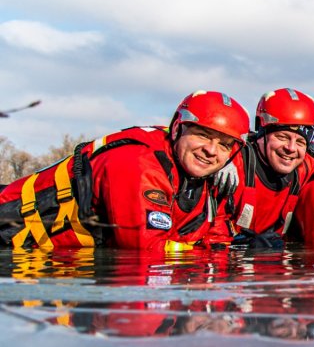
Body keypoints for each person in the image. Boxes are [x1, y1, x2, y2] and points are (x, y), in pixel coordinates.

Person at [0, 90, 249, 251]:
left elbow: (217, 235)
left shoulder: (210, 174)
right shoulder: (138, 162)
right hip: (12, 245)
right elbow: (144, 248)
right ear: (177, 130)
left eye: (224, 145)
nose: (211, 151)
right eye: (203, 136)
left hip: (59, 264)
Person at [211, 87, 314, 248]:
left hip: (275, 263)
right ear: (261, 133)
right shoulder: (234, 164)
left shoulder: (304, 164)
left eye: (300, 142)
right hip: (231, 261)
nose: (291, 148)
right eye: (282, 137)